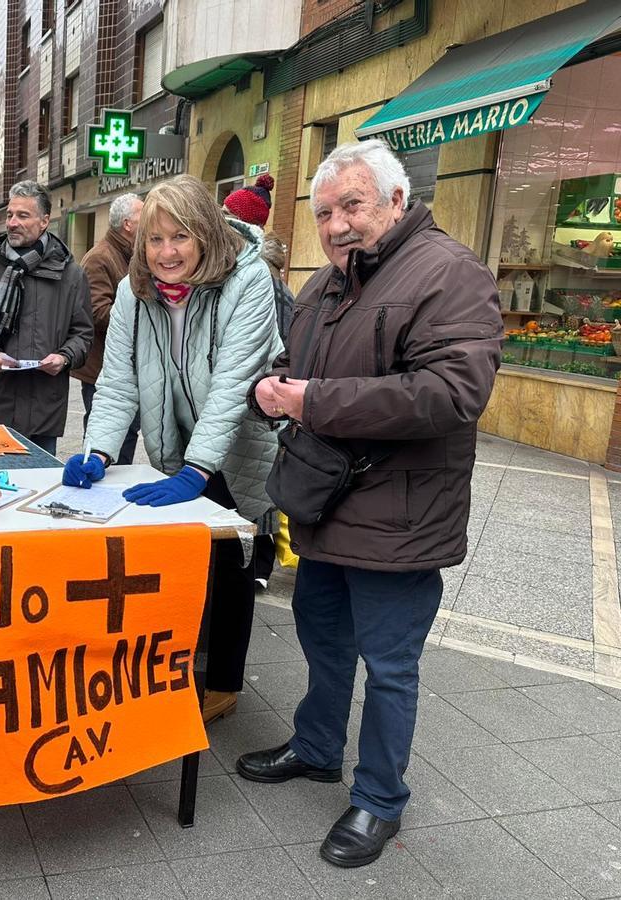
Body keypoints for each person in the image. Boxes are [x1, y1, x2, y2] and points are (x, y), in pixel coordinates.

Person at [240, 140, 503, 868]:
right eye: (324, 212)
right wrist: (272, 389)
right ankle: (318, 748)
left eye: (351, 205)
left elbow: (453, 394)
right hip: (325, 502)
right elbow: (298, 368)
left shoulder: (450, 274)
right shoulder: (326, 285)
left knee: (389, 667)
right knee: (323, 641)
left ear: (396, 200)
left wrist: (314, 400)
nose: (336, 224)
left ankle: (379, 800)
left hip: (401, 515)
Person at [63, 174, 281, 725]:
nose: (166, 253)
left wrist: (200, 468)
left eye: (178, 238)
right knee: (190, 560)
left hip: (238, 444)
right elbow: (117, 383)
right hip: (181, 445)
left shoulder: (247, 281)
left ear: (204, 235)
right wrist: (100, 451)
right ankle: (183, 665)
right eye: (154, 241)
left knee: (232, 563)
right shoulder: (138, 293)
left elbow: (233, 383)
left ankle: (224, 683)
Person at [0, 180, 93, 456]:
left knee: (38, 492)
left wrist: (65, 357)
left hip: (42, 413)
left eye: (23, 215)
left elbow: (82, 334)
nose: (12, 223)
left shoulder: (71, 275)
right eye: (10, 215)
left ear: (44, 221)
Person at [223, 176, 296, 591]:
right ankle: (257, 566)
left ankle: (259, 567)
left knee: (258, 484)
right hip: (249, 400)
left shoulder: (264, 284)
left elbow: (281, 349)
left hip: (261, 403)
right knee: (252, 484)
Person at [70, 192, 143, 465]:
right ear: (127, 224)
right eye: (142, 216)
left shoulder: (130, 254)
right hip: (103, 372)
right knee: (105, 439)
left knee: (127, 436)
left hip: (126, 368)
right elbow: (98, 313)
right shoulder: (100, 258)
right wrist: (142, 316)